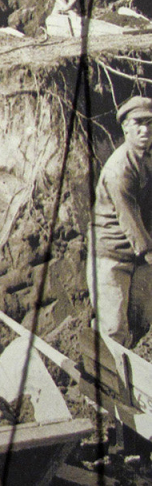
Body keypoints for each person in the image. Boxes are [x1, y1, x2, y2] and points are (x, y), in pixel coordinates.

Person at [88, 97, 152, 347]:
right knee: (113, 328)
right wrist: (148, 252)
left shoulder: (147, 160)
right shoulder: (119, 169)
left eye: (150, 123)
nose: (145, 129)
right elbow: (129, 218)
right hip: (111, 254)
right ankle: (111, 381)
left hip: (137, 256)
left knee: (143, 321)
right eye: (138, 123)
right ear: (126, 127)